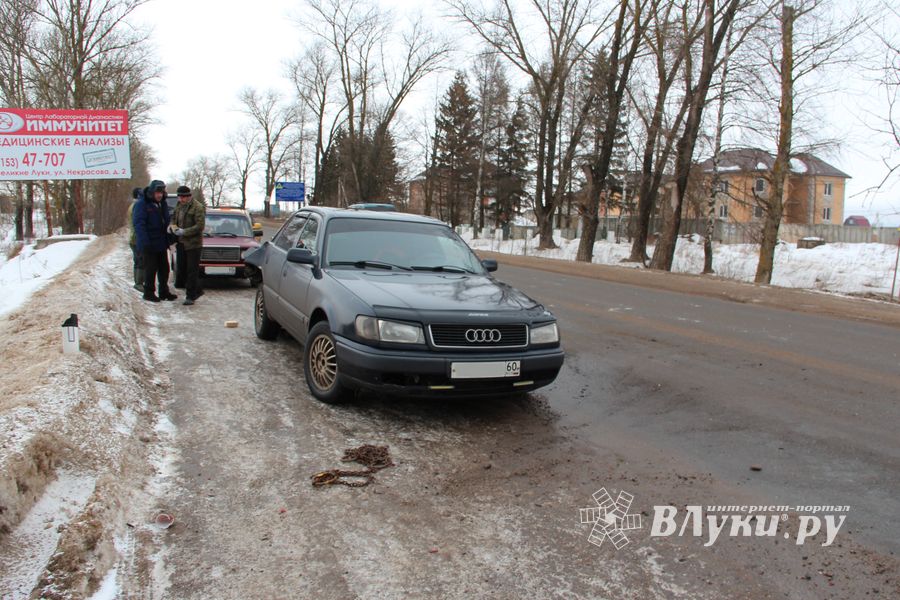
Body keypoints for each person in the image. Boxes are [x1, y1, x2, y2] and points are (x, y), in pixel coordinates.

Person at [133, 179, 177, 302]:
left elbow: (166, 221)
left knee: (164, 268)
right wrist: (144, 242)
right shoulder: (142, 204)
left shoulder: (162, 203)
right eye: (157, 193)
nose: (159, 195)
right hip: (149, 243)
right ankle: (148, 292)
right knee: (150, 269)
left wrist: (170, 236)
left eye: (161, 193)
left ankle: (164, 291)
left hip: (161, 242)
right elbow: (139, 224)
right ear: (152, 192)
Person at [170, 185, 206, 305]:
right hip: (181, 243)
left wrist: (185, 231)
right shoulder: (179, 206)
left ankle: (190, 296)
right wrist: (173, 227)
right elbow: (174, 219)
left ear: (188, 196)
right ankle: (198, 290)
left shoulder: (198, 207)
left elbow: (200, 226)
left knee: (192, 270)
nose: (181, 200)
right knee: (182, 270)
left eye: (183, 197)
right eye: (179, 197)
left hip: (193, 244)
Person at [126, 187, 145, 292]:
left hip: (134, 237)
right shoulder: (137, 207)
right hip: (136, 238)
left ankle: (139, 281)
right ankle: (139, 283)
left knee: (138, 260)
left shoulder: (132, 206)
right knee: (140, 260)